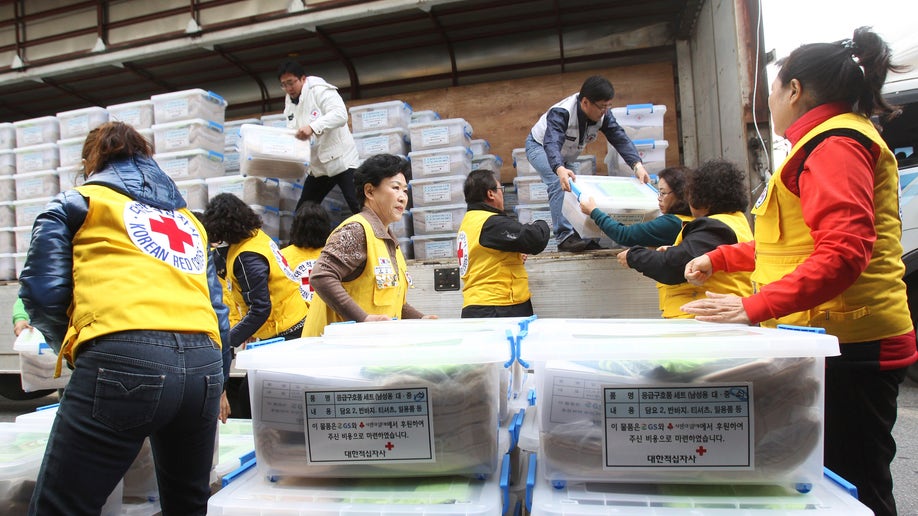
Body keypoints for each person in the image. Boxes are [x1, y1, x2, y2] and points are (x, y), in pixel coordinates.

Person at [681, 28, 917, 516]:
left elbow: (843, 253)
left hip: (852, 346)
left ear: (794, 90)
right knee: (818, 478)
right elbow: (789, 246)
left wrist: (753, 307)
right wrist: (720, 258)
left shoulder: (835, 145)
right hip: (827, 340)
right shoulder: (815, 145)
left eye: (773, 88)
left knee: (853, 491)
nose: (771, 98)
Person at [19, 121, 230, 515]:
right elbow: (218, 310)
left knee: (62, 506)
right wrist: (218, 378)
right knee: (187, 504)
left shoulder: (77, 203)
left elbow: (42, 293)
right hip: (204, 366)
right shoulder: (189, 222)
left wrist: (76, 345)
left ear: (90, 161)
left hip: (122, 355)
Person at [201, 193, 308, 418]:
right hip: (287, 326)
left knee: (253, 401)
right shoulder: (256, 238)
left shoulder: (247, 256)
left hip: (286, 334)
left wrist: (227, 340)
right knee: (255, 397)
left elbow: (260, 308)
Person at [303, 153, 433, 336]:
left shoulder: (389, 242)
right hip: (334, 352)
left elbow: (393, 303)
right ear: (370, 191)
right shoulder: (356, 230)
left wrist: (420, 319)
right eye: (395, 188)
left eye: (405, 190)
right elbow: (321, 276)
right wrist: (362, 319)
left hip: (365, 350)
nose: (403, 197)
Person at [526, 75, 651, 253]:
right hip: (540, 147)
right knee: (560, 183)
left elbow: (619, 137)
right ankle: (565, 237)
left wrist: (637, 165)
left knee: (579, 188)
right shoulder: (562, 112)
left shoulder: (604, 115)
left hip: (566, 155)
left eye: (608, 106)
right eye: (601, 107)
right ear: (585, 102)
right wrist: (559, 168)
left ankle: (582, 235)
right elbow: (551, 142)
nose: (605, 111)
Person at [619, 159, 753, 318]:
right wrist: (676, 250)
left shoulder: (714, 228)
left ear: (701, 198)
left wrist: (634, 256)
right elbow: (695, 255)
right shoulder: (735, 222)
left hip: (701, 322)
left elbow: (673, 266)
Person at [457, 169, 550, 318]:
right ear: (491, 194)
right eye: (500, 189)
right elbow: (535, 239)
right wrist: (542, 222)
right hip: (498, 307)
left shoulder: (470, 221)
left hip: (482, 306)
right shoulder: (490, 223)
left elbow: (488, 258)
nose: (502, 193)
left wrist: (515, 254)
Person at [278, 59, 361, 214]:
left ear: (303, 78)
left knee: (358, 207)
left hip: (341, 160)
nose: (288, 88)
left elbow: (340, 114)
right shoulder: (289, 101)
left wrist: (313, 127)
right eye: (284, 84)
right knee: (303, 213)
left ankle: (379, 238)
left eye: (291, 82)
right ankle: (299, 239)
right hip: (318, 167)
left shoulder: (320, 90)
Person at [579, 165, 693, 248]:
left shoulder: (671, 223)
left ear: (679, 194)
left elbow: (624, 235)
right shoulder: (694, 219)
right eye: (659, 192)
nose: (659, 198)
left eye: (663, 193)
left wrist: (594, 212)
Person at [281, 201, 332, 307]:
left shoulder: (281, 257)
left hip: (294, 320)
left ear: (295, 227)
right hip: (325, 318)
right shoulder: (333, 255)